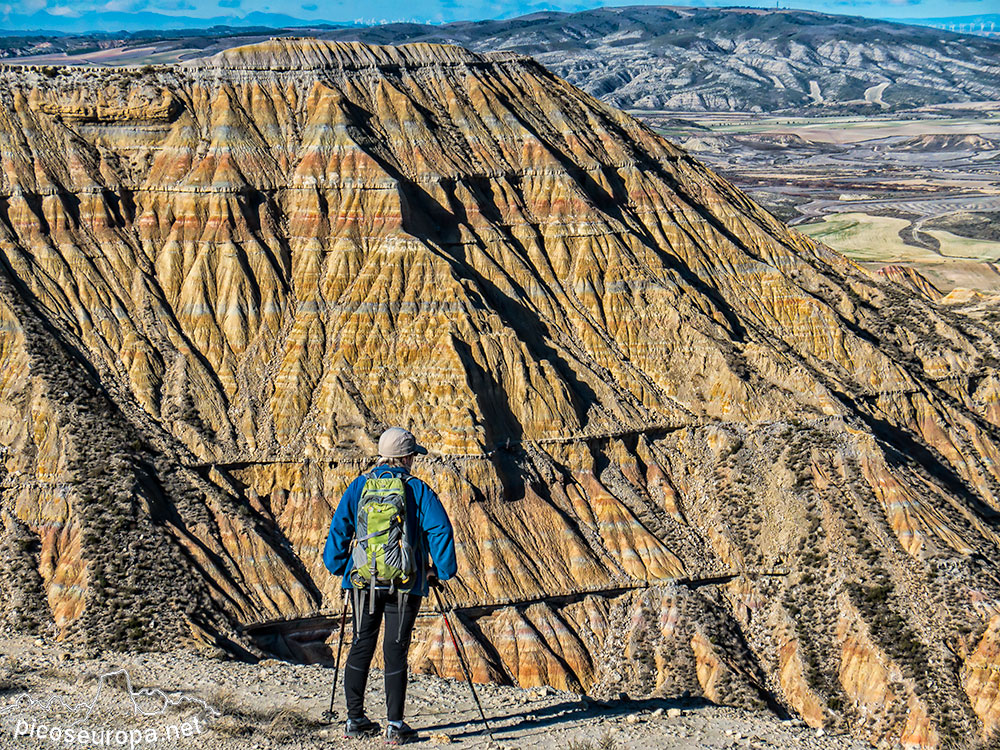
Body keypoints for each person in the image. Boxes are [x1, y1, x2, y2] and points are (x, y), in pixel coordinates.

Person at [323, 427, 457, 745]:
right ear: (407, 457)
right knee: (395, 650)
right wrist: (440, 570)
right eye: (412, 456)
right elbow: (440, 529)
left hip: (362, 583)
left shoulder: (358, 487)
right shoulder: (417, 490)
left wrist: (340, 566)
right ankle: (395, 726)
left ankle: (355, 720)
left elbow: (339, 529)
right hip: (405, 584)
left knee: (361, 644)